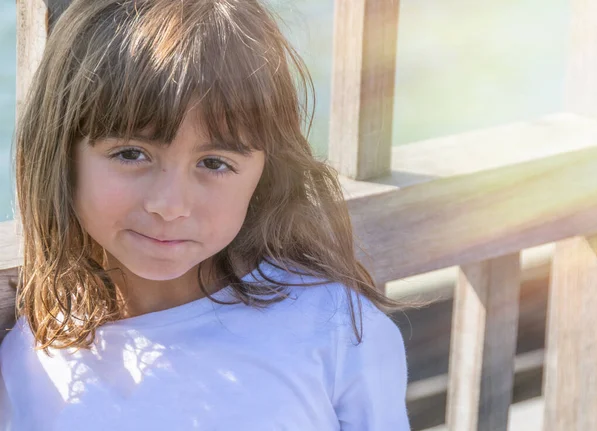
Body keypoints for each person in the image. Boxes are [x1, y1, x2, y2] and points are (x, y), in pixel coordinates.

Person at [0, 0, 411, 429]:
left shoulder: (335, 328)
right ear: (61, 156)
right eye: (130, 153)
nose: (170, 204)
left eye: (214, 163)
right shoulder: (35, 357)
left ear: (265, 174)